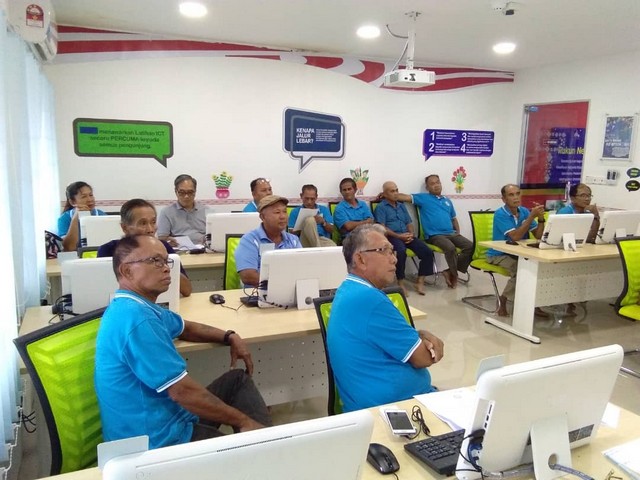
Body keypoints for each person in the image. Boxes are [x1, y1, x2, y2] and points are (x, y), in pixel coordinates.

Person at [95, 235, 271, 449]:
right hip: (156, 443)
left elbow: (185, 328)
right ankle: (262, 446)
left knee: (237, 381)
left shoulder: (140, 307)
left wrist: (229, 336)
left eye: (166, 261)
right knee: (247, 443)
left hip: (170, 421)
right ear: (126, 271)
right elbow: (182, 392)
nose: (166, 268)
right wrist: (244, 421)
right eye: (155, 261)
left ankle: (262, 444)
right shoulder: (136, 319)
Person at [327, 224, 444, 412]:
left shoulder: (349, 289)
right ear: (360, 259)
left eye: (392, 251)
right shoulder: (370, 300)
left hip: (386, 402)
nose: (394, 258)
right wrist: (427, 337)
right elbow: (424, 358)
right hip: (394, 410)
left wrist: (420, 334)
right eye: (384, 251)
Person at [98, 198, 192, 297]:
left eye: (153, 222)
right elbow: (101, 290)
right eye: (143, 223)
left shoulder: (164, 248)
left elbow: (187, 290)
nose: (150, 229)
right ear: (125, 228)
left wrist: (163, 263)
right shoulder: (108, 250)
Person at [396, 175, 473, 289]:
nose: (436, 185)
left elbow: (453, 218)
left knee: (470, 246)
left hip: (451, 233)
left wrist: (457, 232)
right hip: (434, 235)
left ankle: (449, 271)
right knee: (450, 248)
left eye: (438, 182)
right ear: (427, 188)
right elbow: (403, 197)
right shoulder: (424, 198)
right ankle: (454, 275)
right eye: (432, 184)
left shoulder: (447, 201)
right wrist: (387, 194)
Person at [486, 184, 547, 317]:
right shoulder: (500, 214)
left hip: (518, 252)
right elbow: (515, 237)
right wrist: (531, 217)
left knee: (538, 267)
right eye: (511, 195)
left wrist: (541, 218)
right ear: (504, 199)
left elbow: (538, 236)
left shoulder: (524, 211)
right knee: (521, 269)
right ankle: (503, 300)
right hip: (498, 254)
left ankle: (533, 303)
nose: (516, 197)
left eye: (518, 194)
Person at [374, 181, 434, 296]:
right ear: (385, 194)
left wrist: (411, 234)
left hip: (406, 235)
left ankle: (420, 281)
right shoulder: (381, 207)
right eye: (392, 191)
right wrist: (398, 236)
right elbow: (382, 227)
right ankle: (400, 282)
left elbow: (409, 222)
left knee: (427, 251)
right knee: (401, 252)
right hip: (392, 237)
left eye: (396, 190)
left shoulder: (401, 206)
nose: (396, 193)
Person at [235, 195, 302, 287]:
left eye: (285, 211)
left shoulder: (293, 240)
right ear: (263, 217)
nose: (283, 216)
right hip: (260, 292)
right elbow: (248, 276)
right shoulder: (250, 240)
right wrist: (281, 283)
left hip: (290, 291)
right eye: (277, 212)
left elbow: (302, 268)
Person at [157, 174, 207, 246]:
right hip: (179, 249)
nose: (186, 196)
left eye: (190, 192)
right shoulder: (166, 212)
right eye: (182, 192)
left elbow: (215, 235)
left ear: (195, 192)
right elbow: (162, 238)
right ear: (176, 192)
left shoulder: (207, 211)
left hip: (204, 249)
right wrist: (170, 241)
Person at [57, 181, 107, 252]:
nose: (90, 199)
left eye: (91, 195)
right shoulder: (64, 219)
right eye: (84, 197)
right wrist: (76, 217)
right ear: (72, 202)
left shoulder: (101, 215)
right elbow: (69, 248)